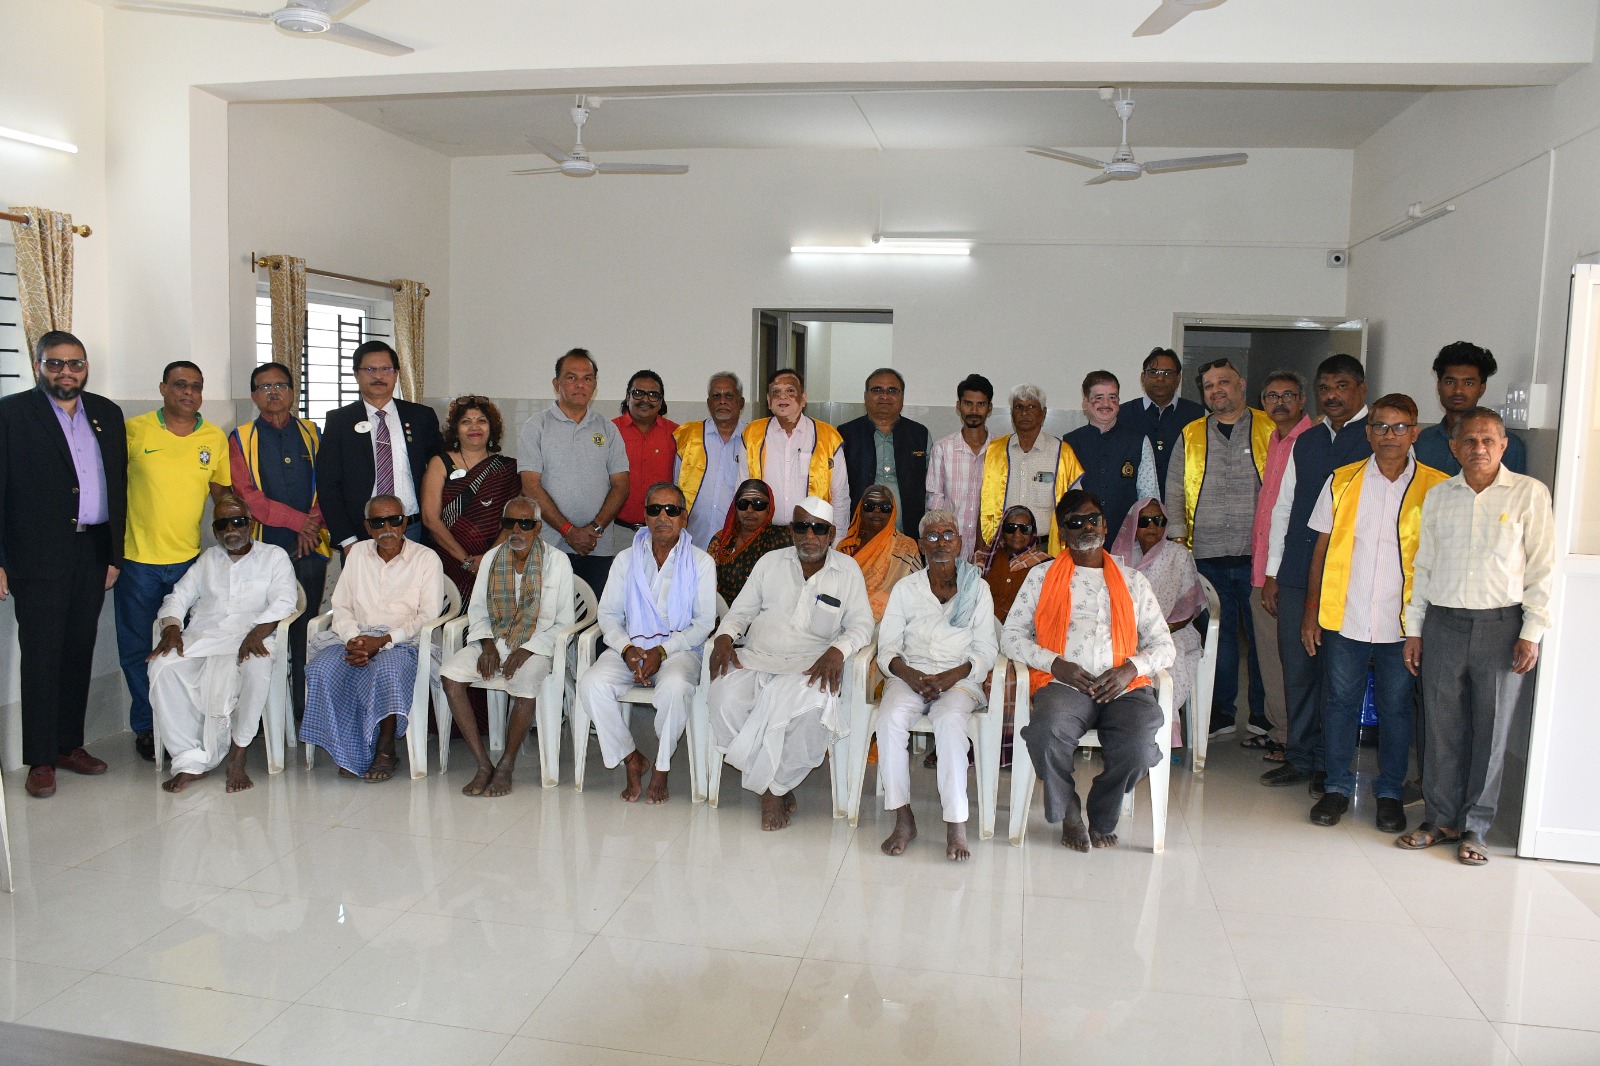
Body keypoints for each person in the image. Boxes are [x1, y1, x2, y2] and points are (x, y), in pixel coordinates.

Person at [1399, 408, 1552, 867]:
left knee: (1492, 730)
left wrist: (1532, 631)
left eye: (1488, 440)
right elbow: (1422, 567)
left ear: (1504, 445)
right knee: (1441, 726)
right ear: (1453, 447)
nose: (1478, 448)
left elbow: (1543, 567)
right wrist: (1415, 629)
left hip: (1502, 628)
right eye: (1469, 440)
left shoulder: (1529, 493)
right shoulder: (1441, 496)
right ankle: (1440, 818)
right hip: (1443, 623)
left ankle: (1475, 827)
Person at [1299, 395, 1447, 832]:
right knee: (1340, 702)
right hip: (1346, 616)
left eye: (1400, 427)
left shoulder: (1437, 487)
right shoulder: (1342, 482)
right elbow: (1320, 551)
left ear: (1415, 432)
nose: (1390, 436)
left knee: (1396, 707)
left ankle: (1389, 793)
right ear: (1368, 432)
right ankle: (1337, 787)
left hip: (1405, 624)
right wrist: (1311, 612)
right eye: (1381, 427)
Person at [1002, 491, 1175, 851]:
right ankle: (1068, 810)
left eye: (1093, 519)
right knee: (1047, 733)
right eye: (1075, 522)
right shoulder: (1041, 576)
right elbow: (1011, 637)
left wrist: (1130, 669)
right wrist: (1055, 664)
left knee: (1141, 745)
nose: (1086, 527)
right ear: (1063, 532)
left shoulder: (1132, 581)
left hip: (1123, 687)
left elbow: (1164, 645)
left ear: (1106, 525)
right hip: (1066, 684)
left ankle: (1103, 810)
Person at [0, 332, 126, 798]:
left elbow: (119, 485)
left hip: (92, 552)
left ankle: (69, 745)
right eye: (56, 364)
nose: (66, 372)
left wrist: (114, 553)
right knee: (41, 655)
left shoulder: (106, 414)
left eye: (74, 364)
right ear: (38, 366)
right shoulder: (12, 414)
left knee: (78, 650)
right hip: (36, 555)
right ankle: (40, 758)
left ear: (86, 367)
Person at [708, 495, 874, 831]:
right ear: (792, 531)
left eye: (819, 528)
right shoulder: (770, 562)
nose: (809, 535)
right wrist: (725, 635)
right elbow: (741, 611)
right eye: (801, 526)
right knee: (723, 698)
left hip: (808, 665)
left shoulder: (847, 570)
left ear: (832, 533)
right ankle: (773, 783)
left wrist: (838, 650)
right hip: (757, 657)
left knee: (812, 715)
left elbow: (862, 625)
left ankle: (773, 790)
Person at [1261, 354, 1371, 791]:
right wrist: (1273, 572)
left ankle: (1330, 763)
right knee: (1298, 669)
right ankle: (1300, 756)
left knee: (1337, 674)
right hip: (1295, 572)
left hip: (1348, 576)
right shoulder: (1306, 440)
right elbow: (1284, 506)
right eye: (1325, 387)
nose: (1332, 395)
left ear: (1361, 390)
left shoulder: (1374, 438)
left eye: (1342, 386)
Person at [118, 359, 230, 761]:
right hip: (137, 562)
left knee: (189, 647)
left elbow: (222, 496)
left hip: (187, 563)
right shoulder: (134, 430)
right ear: (163, 387)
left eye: (196, 386)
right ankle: (147, 728)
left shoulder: (214, 438)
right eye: (180, 385)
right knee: (136, 650)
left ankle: (183, 724)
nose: (188, 392)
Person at [147, 495, 298, 794]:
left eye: (238, 521)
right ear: (215, 530)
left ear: (251, 525)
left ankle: (238, 754)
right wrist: (173, 628)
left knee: (256, 667)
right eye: (223, 523)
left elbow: (285, 600)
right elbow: (178, 597)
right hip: (205, 638)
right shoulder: (207, 561)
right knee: (162, 667)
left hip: (252, 635)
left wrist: (257, 633)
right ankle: (189, 758)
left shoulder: (273, 556)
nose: (232, 528)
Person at [576, 483, 717, 803]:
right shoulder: (626, 560)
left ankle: (662, 770)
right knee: (591, 685)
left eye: (671, 510)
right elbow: (608, 614)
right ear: (645, 516)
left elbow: (704, 623)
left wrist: (662, 650)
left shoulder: (701, 562)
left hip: (679, 649)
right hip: (631, 647)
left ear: (684, 517)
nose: (663, 517)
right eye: (655, 509)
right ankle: (631, 758)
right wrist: (627, 649)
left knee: (676, 688)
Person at [875, 509, 997, 862]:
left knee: (949, 721)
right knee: (890, 718)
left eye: (948, 535)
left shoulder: (978, 587)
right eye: (931, 536)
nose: (941, 542)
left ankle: (956, 824)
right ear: (921, 545)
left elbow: (987, 649)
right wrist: (911, 676)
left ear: (959, 542)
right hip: (910, 675)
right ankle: (902, 818)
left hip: (959, 679)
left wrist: (951, 677)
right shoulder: (906, 589)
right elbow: (889, 647)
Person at [300, 495, 446, 781]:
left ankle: (386, 747)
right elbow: (340, 606)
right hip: (357, 639)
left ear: (404, 523)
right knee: (321, 669)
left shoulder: (426, 558)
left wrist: (383, 641)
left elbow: (427, 616)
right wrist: (356, 639)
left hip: (405, 642)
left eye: (394, 520)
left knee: (387, 669)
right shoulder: (356, 555)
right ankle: (349, 749)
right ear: (368, 526)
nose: (387, 528)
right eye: (379, 522)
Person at [1164, 358, 1272, 740]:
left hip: (1257, 558)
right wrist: (1178, 545)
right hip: (1205, 556)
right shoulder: (1191, 434)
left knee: (1263, 642)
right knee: (1217, 641)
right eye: (1209, 386)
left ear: (1242, 385)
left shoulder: (1269, 428)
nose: (1216, 391)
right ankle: (1220, 714)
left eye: (1224, 383)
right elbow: (1174, 490)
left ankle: (1264, 717)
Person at [438, 497, 575, 797]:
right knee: (450, 677)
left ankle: (506, 765)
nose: (517, 530)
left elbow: (564, 622)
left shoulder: (557, 561)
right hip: (493, 639)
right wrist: (487, 645)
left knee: (525, 682)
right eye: (509, 523)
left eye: (525, 524)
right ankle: (483, 764)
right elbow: (476, 611)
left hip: (538, 645)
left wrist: (527, 650)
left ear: (538, 527)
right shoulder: (491, 558)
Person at [228, 362, 329, 721]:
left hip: (310, 548)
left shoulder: (314, 433)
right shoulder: (240, 438)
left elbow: (327, 485)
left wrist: (311, 525)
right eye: (264, 386)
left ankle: (304, 713)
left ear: (293, 392)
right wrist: (297, 521)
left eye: (280, 385)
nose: (273, 392)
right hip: (263, 550)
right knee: (262, 627)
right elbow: (247, 496)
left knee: (304, 630)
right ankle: (257, 717)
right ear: (254, 395)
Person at [519, 349, 630, 600]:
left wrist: (594, 529)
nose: (580, 384)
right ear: (556, 384)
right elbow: (530, 487)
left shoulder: (608, 429)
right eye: (571, 377)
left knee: (596, 624)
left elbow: (621, 485)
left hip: (598, 547)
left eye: (587, 378)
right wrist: (568, 530)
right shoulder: (536, 426)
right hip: (549, 546)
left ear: (595, 385)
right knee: (549, 623)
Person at [315, 340, 443, 554]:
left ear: (396, 374)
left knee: (413, 588)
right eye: (370, 369)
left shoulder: (421, 417)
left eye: (386, 369)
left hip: (412, 529)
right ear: (356, 375)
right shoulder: (340, 421)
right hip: (362, 533)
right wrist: (348, 541)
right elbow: (328, 485)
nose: (378, 376)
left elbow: (439, 469)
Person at [1245, 371, 1312, 761]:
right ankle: (1279, 729)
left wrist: (1274, 574)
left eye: (1288, 395)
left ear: (1302, 400)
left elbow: (1293, 516)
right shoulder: (1275, 439)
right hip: (1263, 567)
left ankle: (1292, 736)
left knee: (1287, 658)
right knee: (1270, 655)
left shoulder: (1307, 442)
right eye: (1271, 396)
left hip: (1283, 574)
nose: (1280, 402)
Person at [1111, 497, 1205, 747]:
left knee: (1168, 668)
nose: (1151, 526)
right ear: (1133, 525)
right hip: (1125, 632)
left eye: (1158, 520)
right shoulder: (1119, 557)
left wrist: (1158, 632)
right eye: (1144, 521)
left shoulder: (1178, 554)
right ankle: (1122, 735)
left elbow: (1187, 608)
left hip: (1172, 631)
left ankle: (1160, 739)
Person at [421, 396, 521, 601]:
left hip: (495, 561)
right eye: (466, 421)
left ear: (491, 428)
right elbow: (430, 518)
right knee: (450, 620)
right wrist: (466, 560)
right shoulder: (440, 463)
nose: (474, 427)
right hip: (449, 561)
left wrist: (487, 559)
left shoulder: (507, 468)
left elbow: (513, 521)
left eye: (481, 421)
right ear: (456, 429)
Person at [739, 369, 849, 545]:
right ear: (768, 400)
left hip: (812, 535)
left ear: (803, 398)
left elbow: (840, 496)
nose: (783, 397)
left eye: (790, 391)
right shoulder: (753, 434)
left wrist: (837, 541)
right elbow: (742, 489)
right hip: (763, 536)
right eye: (776, 392)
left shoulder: (828, 437)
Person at [983, 504, 1053, 769]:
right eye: (1011, 528)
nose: (1017, 534)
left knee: (1009, 678)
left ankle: (1009, 749)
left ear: (1033, 533)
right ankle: (969, 745)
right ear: (1002, 531)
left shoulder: (1046, 565)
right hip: (986, 634)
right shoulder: (985, 558)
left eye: (1024, 529)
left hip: (1026, 639)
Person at [977, 384, 1084, 557]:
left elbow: (1076, 506)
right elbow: (982, 502)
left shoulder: (1062, 453)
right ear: (1012, 414)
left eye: (1032, 407)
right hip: (1002, 548)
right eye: (1019, 407)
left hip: (1045, 549)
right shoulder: (995, 451)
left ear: (1044, 413)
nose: (1025, 412)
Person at [1064, 370, 1159, 536]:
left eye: (1112, 397)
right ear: (1085, 402)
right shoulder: (1069, 443)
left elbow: (1149, 497)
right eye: (1098, 398)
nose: (1106, 404)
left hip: (1126, 539)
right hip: (1080, 538)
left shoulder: (1139, 442)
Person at [1413, 341, 1528, 476]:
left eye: (1468, 383)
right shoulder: (1421, 442)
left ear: (1481, 389)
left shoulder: (1507, 446)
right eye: (1450, 382)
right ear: (1439, 386)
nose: (1458, 390)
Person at [840, 368, 930, 536]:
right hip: (859, 535)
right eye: (877, 390)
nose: (885, 396)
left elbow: (931, 489)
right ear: (865, 396)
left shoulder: (920, 435)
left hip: (907, 535)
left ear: (902, 397)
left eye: (892, 391)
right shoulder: (845, 435)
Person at [676, 371, 748, 549]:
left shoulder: (753, 441)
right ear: (709, 403)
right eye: (716, 396)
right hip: (692, 541)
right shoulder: (687, 437)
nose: (722, 401)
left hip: (737, 544)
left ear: (741, 403)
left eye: (729, 396)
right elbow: (674, 487)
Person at [926, 374, 994, 561]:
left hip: (990, 550)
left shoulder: (1000, 450)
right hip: (949, 549)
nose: (974, 410)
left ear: (989, 408)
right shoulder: (942, 449)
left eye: (980, 404)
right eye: (968, 403)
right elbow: (935, 504)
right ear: (958, 406)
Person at [1120, 347, 1205, 496]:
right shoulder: (1121, 414)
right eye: (1153, 372)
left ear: (1178, 378)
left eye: (1168, 373)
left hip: (1183, 504)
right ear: (1142, 377)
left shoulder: (1199, 415)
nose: (1160, 378)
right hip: (1133, 506)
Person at [836, 484, 923, 622]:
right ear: (860, 510)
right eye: (870, 506)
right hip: (846, 617)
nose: (877, 511)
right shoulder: (846, 547)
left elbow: (916, 592)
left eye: (885, 508)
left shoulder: (906, 546)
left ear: (893, 511)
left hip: (890, 619)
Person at [613, 370, 679, 535]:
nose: (645, 399)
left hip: (662, 531)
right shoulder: (610, 431)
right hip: (616, 530)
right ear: (628, 397)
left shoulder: (677, 434)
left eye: (653, 395)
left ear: (661, 401)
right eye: (638, 393)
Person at [706, 478, 792, 605]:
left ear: (770, 508)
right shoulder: (721, 539)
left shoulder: (782, 539)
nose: (749, 510)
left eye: (758, 504)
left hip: (767, 616)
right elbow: (707, 585)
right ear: (735, 508)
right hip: (724, 614)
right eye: (743, 504)